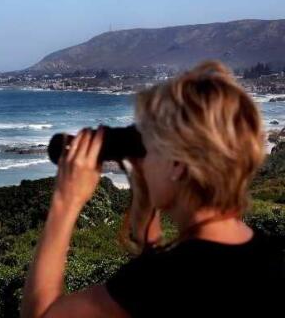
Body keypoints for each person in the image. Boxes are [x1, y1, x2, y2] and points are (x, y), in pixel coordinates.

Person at [20, 60, 285, 318]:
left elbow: (40, 313)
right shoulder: (267, 252)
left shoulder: (167, 278)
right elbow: (156, 276)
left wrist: (66, 201)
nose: (143, 160)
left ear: (178, 165)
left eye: (148, 147)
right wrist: (144, 197)